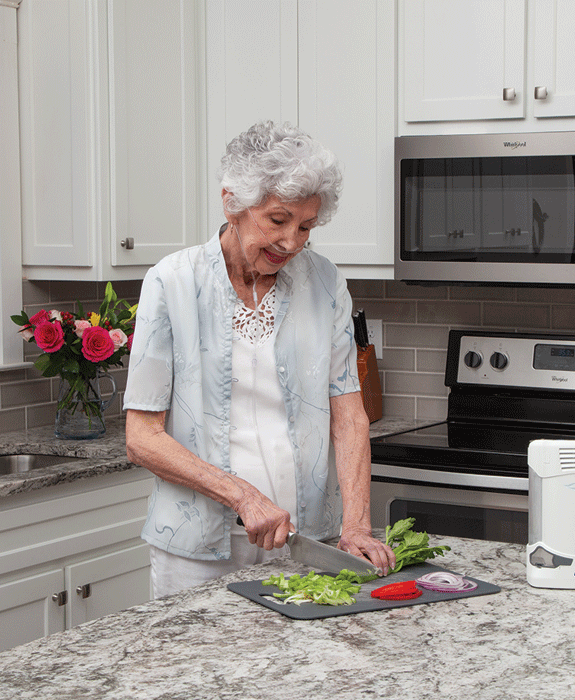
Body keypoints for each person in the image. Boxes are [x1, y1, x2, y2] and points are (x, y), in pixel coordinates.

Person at [124, 121, 395, 597]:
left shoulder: (327, 284)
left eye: (306, 226)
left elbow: (349, 415)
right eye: (278, 220)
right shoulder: (171, 282)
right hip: (196, 550)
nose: (291, 241)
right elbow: (142, 438)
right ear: (233, 203)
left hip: (305, 539)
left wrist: (357, 524)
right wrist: (243, 496)